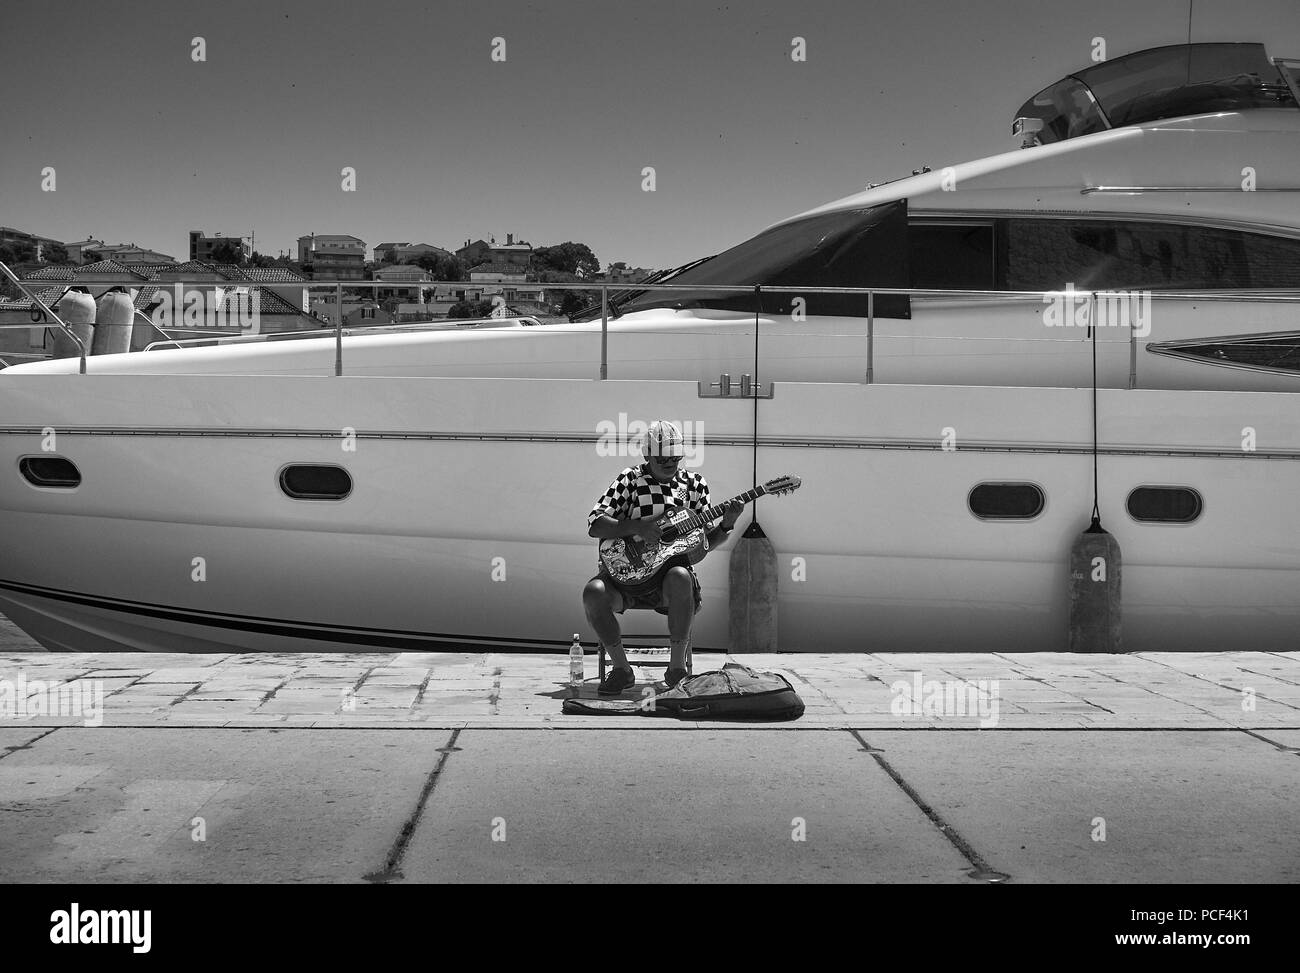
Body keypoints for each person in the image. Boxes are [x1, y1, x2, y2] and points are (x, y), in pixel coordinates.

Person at [583, 419, 742, 695]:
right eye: (662, 457)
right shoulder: (630, 480)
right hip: (625, 579)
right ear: (647, 455)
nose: (670, 462)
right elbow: (595, 524)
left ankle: (676, 669)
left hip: (668, 586)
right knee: (593, 592)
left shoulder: (694, 485)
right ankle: (621, 670)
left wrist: (727, 525)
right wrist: (638, 527)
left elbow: (702, 545)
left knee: (681, 575)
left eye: (675, 456)